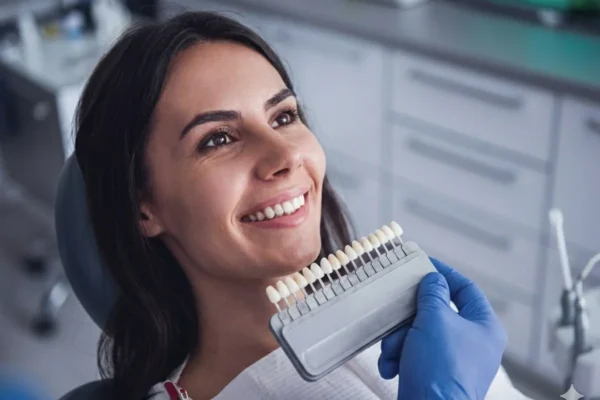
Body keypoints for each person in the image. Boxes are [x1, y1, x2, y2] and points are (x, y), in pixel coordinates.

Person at [73, 11, 531, 400]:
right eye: (218, 139)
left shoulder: (409, 317)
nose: (286, 155)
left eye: (284, 117)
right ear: (144, 207)